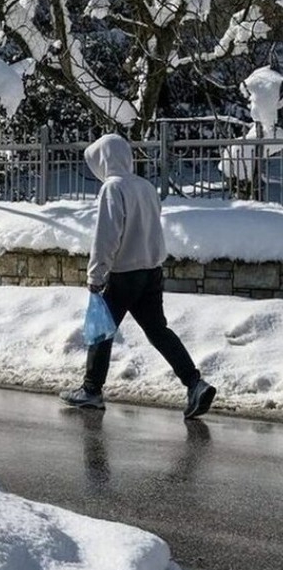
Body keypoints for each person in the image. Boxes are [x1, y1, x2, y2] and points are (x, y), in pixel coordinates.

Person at [60, 133, 216, 419]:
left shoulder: (112, 188)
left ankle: (91, 390)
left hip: (123, 274)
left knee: (100, 332)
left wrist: (96, 274)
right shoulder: (145, 187)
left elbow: (106, 236)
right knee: (159, 331)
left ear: (104, 159)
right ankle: (195, 383)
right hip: (151, 272)